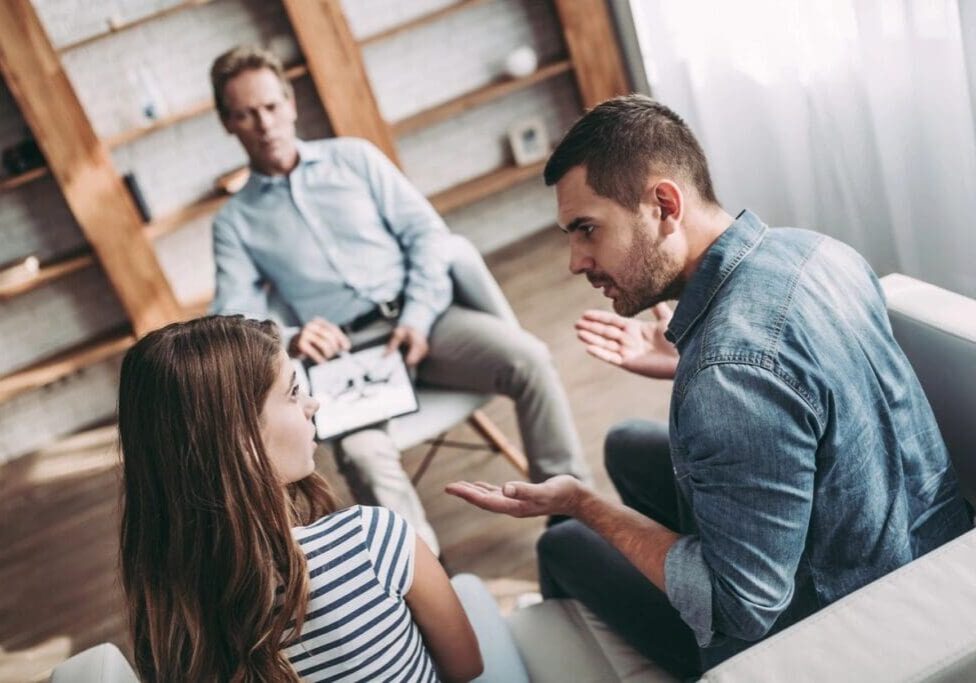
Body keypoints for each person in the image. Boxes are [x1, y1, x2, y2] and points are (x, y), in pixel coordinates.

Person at [447, 94, 973, 678]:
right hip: (917, 539)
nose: (575, 260)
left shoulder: (730, 377)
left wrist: (584, 504)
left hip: (831, 622)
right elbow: (797, 386)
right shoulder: (815, 250)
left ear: (663, 204)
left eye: (587, 230)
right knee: (624, 441)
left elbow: (741, 607)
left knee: (563, 542)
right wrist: (686, 363)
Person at [207, 45, 590, 556]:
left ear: (291, 102)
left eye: (272, 106)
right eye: (246, 114)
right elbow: (231, 318)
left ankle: (570, 527)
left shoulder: (356, 159)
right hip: (347, 359)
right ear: (227, 123)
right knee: (362, 456)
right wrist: (293, 336)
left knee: (531, 360)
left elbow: (426, 235)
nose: (264, 123)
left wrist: (417, 315)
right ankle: (431, 588)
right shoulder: (235, 223)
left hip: (427, 322)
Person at [117, 315, 484, 682]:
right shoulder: (372, 540)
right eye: (293, 393)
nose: (314, 403)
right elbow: (466, 667)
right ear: (242, 440)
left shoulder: (166, 616)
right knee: (472, 592)